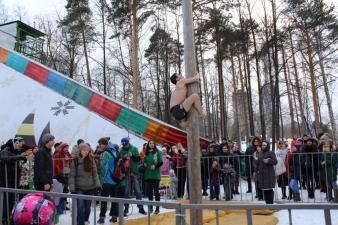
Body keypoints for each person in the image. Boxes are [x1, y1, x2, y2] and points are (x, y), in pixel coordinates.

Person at [69, 143, 101, 225]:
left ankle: (85, 220)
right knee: (80, 206)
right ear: (80, 150)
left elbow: (95, 173)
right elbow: (72, 175)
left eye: (87, 150)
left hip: (90, 188)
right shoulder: (75, 160)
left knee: (87, 207)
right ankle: (80, 223)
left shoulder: (91, 159)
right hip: (79, 188)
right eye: (84, 150)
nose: (86, 152)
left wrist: (97, 185)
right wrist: (72, 189)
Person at [0, 136, 27, 224]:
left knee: (11, 202)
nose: (20, 146)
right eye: (19, 144)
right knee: (5, 202)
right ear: (15, 143)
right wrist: (19, 157)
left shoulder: (14, 152)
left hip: (13, 182)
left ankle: (8, 218)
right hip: (5, 182)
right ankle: (3, 219)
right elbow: (5, 159)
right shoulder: (5, 151)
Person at [119, 137, 146, 215]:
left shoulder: (134, 148)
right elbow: (120, 161)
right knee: (126, 190)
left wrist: (132, 155)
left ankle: (140, 207)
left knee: (138, 189)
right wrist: (124, 158)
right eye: (124, 145)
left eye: (126, 145)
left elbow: (138, 159)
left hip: (134, 171)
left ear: (128, 143)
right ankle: (126, 208)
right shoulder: (121, 150)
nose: (125, 146)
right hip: (126, 172)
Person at [97, 141, 123, 224]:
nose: (100, 146)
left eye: (100, 144)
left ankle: (102, 217)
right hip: (115, 179)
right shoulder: (116, 152)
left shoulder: (105, 153)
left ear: (105, 145)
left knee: (104, 199)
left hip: (107, 180)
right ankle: (114, 217)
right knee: (114, 199)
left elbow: (103, 167)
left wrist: (101, 181)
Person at [143, 140, 163, 214]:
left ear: (155, 144)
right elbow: (144, 161)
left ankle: (157, 208)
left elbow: (161, 162)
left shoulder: (158, 152)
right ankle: (150, 207)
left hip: (155, 175)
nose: (151, 144)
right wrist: (144, 163)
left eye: (153, 143)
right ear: (148, 144)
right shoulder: (146, 153)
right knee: (149, 192)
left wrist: (155, 165)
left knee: (156, 192)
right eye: (150, 143)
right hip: (148, 175)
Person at [319, 135, 338, 202]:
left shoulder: (334, 153)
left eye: (327, 145)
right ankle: (329, 198)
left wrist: (325, 162)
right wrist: (321, 162)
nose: (326, 146)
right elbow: (322, 160)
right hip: (326, 171)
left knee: (334, 185)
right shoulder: (324, 153)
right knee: (328, 185)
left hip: (332, 171)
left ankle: (336, 198)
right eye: (325, 145)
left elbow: (334, 161)